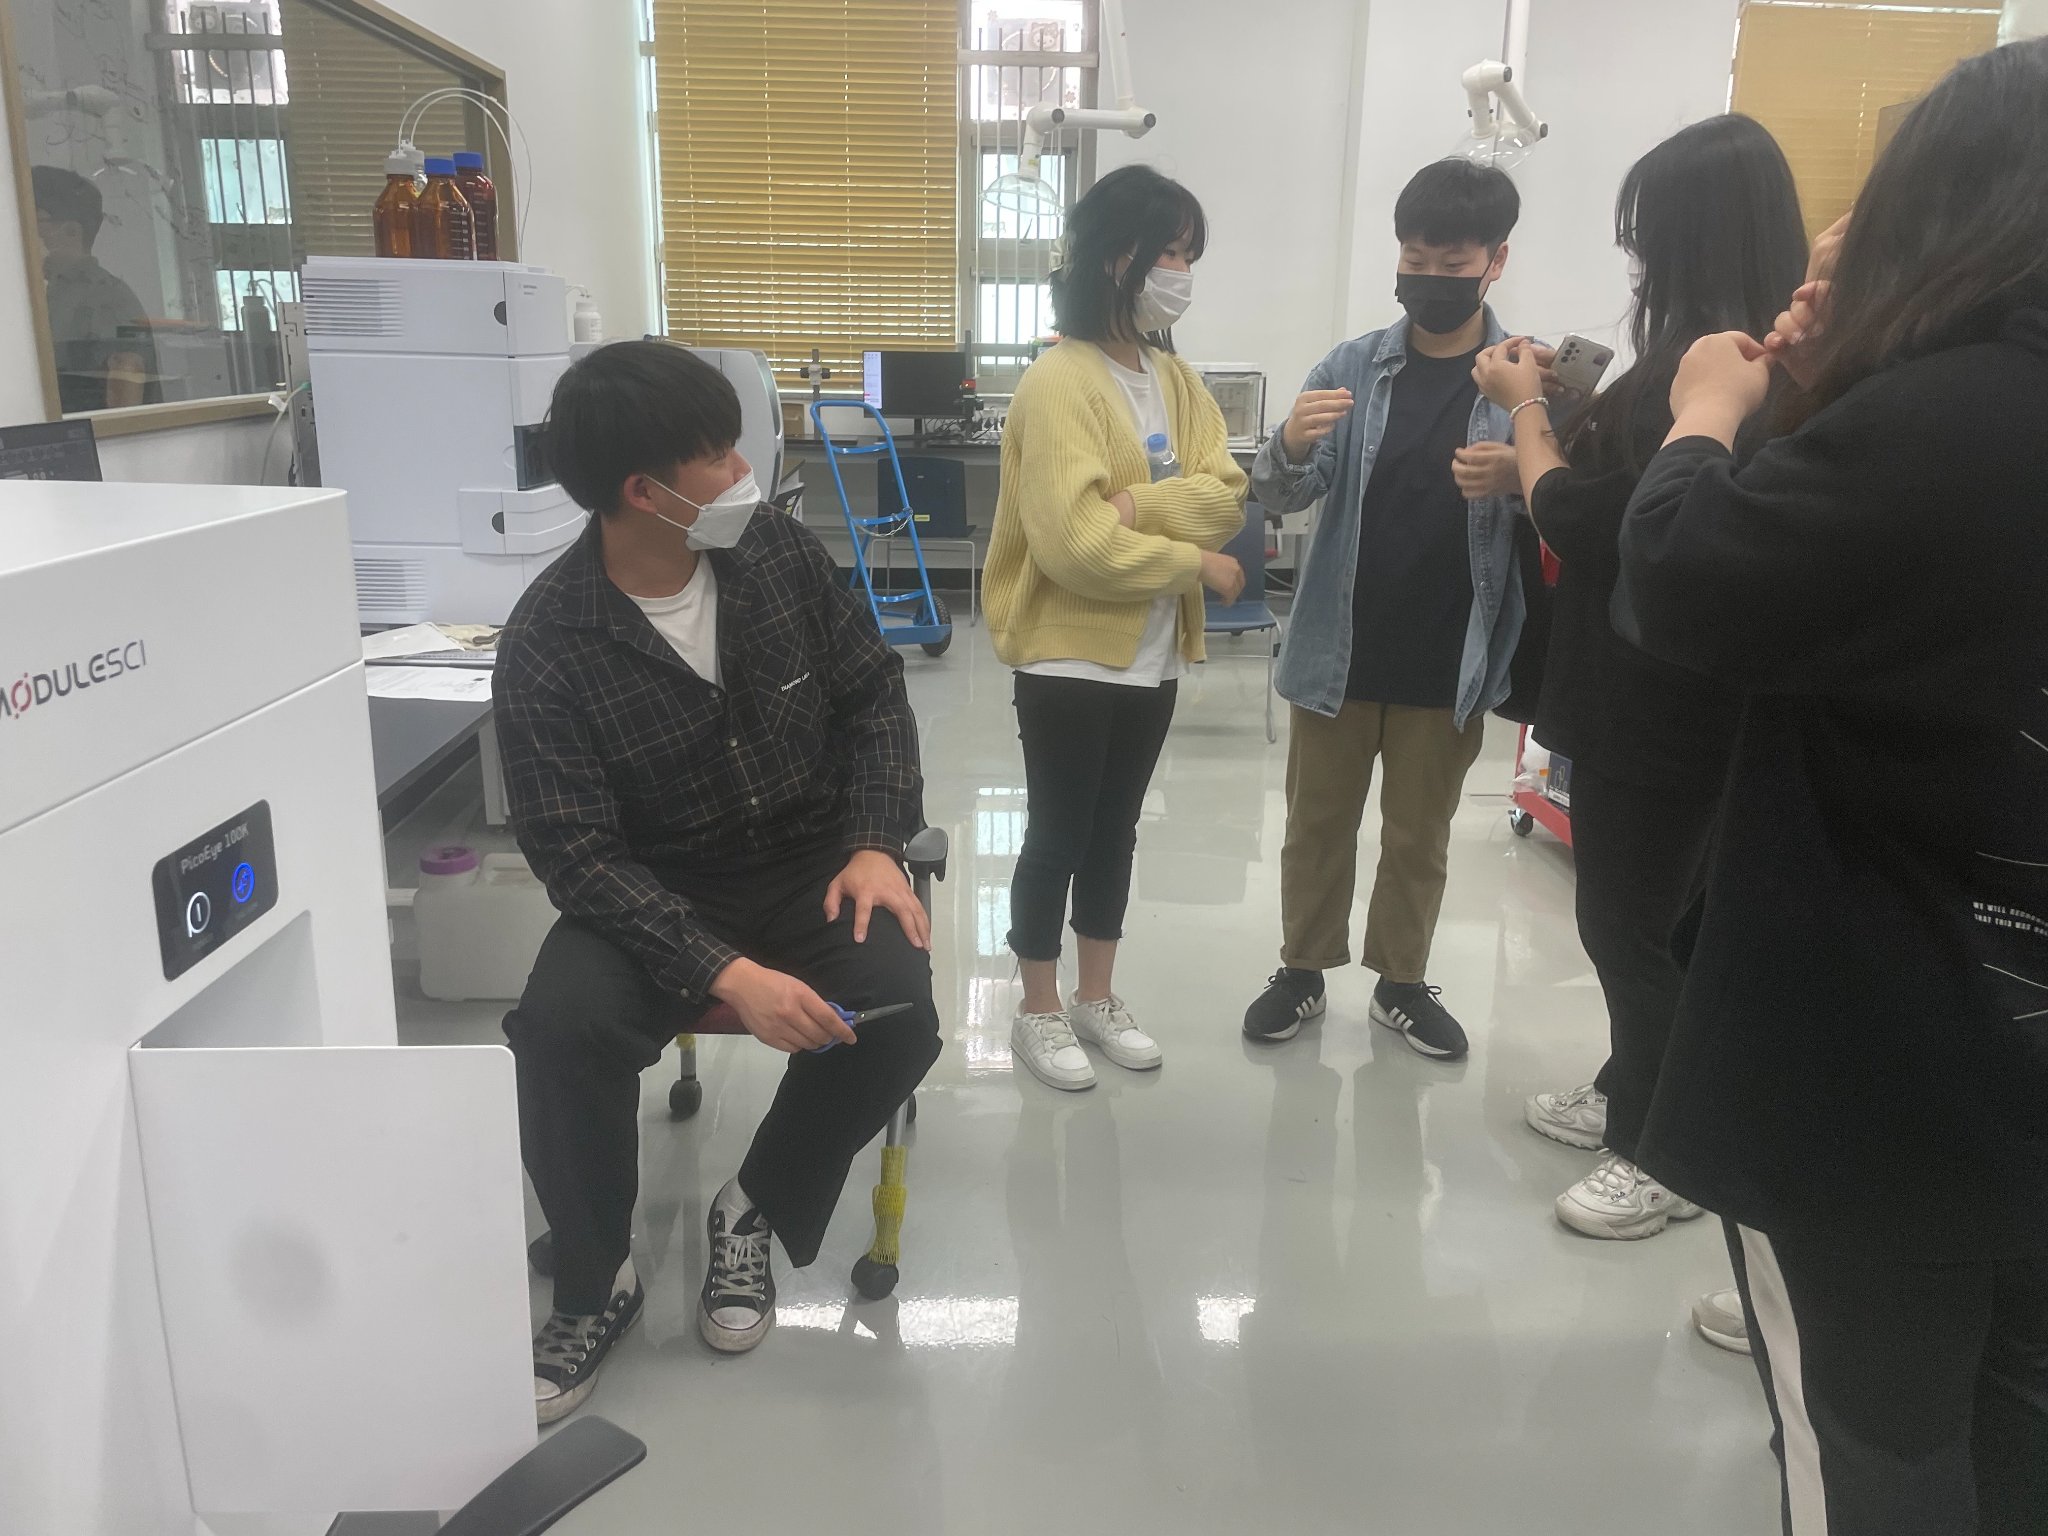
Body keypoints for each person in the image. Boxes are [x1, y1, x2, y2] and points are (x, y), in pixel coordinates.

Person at [1613, 39, 2048, 1532]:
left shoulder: (1955, 415)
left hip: (1896, 1059)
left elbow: (1683, 579)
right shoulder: (1942, 410)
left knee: (1873, 1432)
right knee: (2019, 1417)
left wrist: (1704, 412)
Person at [493, 341, 942, 1423]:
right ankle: (597, 1274)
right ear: (644, 494)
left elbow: (874, 697)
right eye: (717, 456)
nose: (744, 470)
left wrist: (875, 841)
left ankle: (750, 1207)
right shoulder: (548, 641)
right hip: (655, 884)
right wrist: (725, 972)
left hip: (811, 859)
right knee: (557, 1030)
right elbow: (575, 855)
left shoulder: (776, 554)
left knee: (897, 1015)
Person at [1471, 116, 1808, 1240]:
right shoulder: (1748, 358)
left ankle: (1661, 1151)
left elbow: (1582, 517)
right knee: (1667, 916)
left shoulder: (1706, 370)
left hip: (1657, 700)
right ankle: (1636, 1086)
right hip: (1671, 687)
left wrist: (1525, 412)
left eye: (1643, 238)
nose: (1635, 262)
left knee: (1628, 927)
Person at [1242, 159, 1526, 1059]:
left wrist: (1522, 475)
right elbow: (1283, 493)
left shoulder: (1522, 381)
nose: (1431, 280)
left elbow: (1573, 507)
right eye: (1415, 260)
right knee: (1315, 828)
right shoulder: (1353, 367)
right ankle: (1301, 970)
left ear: (1496, 262)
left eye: (1454, 264)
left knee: (1419, 837)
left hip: (1450, 652)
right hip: (1342, 646)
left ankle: (1401, 983)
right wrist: (1289, 443)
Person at [984, 164, 1248, 1092]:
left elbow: (1226, 496)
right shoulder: (1057, 382)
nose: (1181, 273)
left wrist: (1134, 506)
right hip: (1068, 655)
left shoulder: (1175, 378)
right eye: (1170, 253)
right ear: (1116, 258)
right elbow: (1073, 546)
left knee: (1116, 832)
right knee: (1057, 833)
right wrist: (1190, 563)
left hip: (1151, 655)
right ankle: (1038, 1006)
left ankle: (1095, 994)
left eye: (1189, 255)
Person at [31, 165, 155, 412]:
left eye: (36, 221)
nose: (25, 231)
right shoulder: (48, 291)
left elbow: (125, 401)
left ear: (71, 231)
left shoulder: (108, 298)